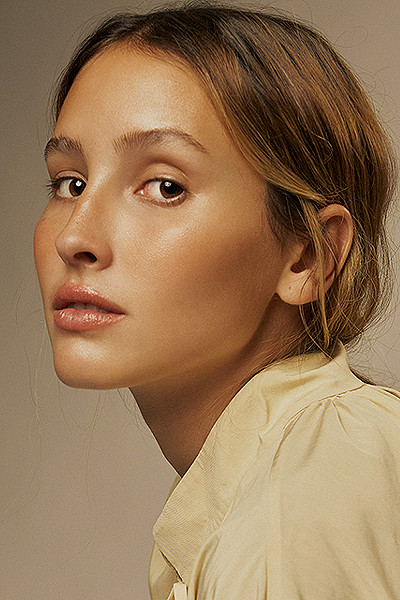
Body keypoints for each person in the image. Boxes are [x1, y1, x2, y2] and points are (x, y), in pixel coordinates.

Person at [34, 3, 400, 599]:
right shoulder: (274, 478)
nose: (75, 236)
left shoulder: (312, 481)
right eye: (69, 183)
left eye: (165, 186)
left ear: (308, 255)